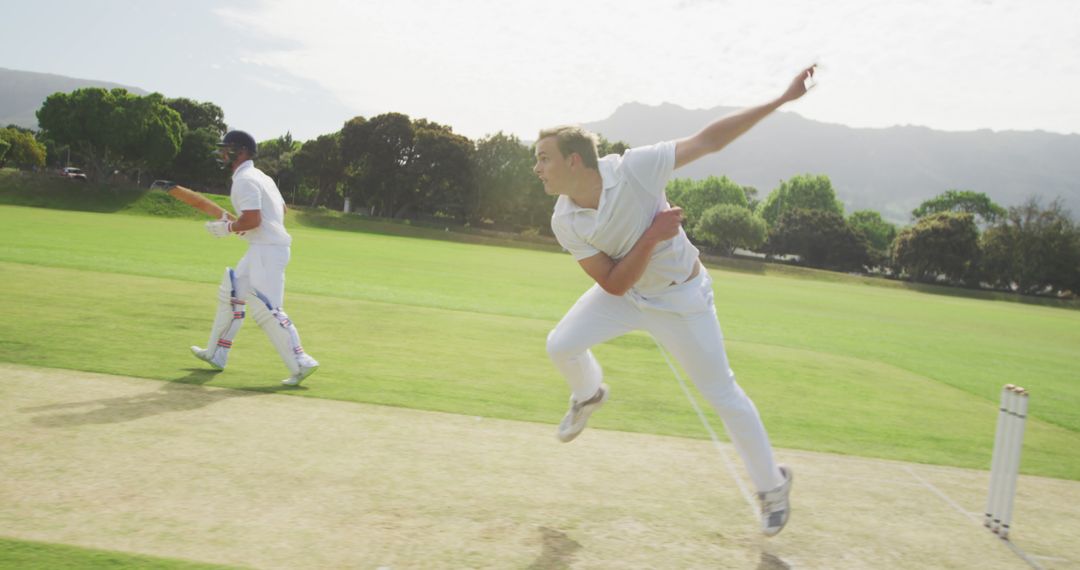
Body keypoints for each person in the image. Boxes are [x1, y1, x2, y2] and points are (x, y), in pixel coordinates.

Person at [535, 66, 816, 537]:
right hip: (628, 294)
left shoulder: (635, 168)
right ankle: (589, 393)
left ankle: (772, 487)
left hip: (683, 299)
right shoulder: (564, 220)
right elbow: (614, 285)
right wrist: (652, 235)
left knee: (723, 394)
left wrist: (781, 99)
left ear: (576, 161)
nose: (537, 168)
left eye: (543, 158)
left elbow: (708, 140)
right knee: (560, 344)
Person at [190, 130, 320, 387]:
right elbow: (280, 209)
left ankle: (301, 361)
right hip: (262, 247)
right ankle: (217, 353)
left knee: (267, 310)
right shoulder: (261, 177)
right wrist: (246, 228)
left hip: (267, 251)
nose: (222, 153)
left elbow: (253, 219)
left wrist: (229, 228)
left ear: (240, 151)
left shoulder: (245, 180)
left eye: (226, 149)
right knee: (232, 293)